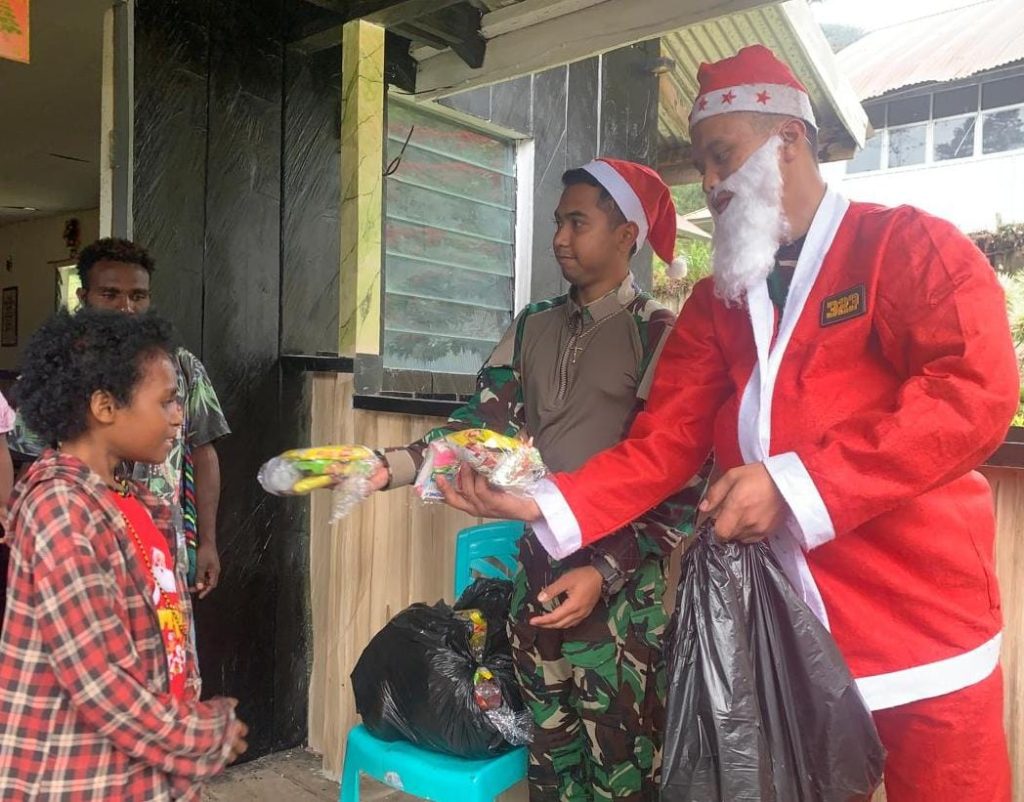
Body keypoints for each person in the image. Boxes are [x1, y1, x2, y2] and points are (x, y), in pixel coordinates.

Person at [439, 45, 1018, 802]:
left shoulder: (904, 247)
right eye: (701, 166)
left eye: (723, 157)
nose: (709, 184)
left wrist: (795, 484)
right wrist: (545, 502)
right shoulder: (720, 302)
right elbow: (666, 442)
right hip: (779, 632)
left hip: (920, 622)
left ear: (790, 141)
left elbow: (975, 391)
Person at [371, 160, 704, 801]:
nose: (559, 238)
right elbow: (478, 427)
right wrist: (392, 467)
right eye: (557, 222)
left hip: (623, 600)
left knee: (623, 768)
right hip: (537, 574)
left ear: (628, 232)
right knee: (549, 761)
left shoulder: (659, 334)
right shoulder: (532, 326)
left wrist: (605, 569)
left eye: (577, 222)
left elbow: (683, 477)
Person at [0, 308, 247, 800]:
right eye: (167, 402)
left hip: (145, 771)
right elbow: (98, 682)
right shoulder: (61, 512)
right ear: (105, 407)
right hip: (78, 776)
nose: (180, 416)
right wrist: (198, 735)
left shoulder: (136, 501)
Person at [9, 238, 229, 598]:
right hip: (89, 542)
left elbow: (203, 452)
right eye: (110, 295)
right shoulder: (59, 373)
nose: (126, 308)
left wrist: (206, 541)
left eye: (137, 296)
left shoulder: (181, 368)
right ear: (83, 298)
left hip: (160, 543)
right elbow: (29, 464)